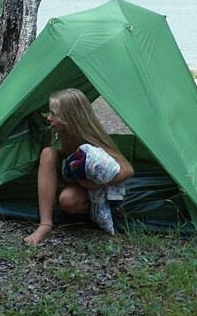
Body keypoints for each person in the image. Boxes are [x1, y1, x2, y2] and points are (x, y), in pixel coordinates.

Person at [23, 88, 134, 245]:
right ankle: (45, 224)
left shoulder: (91, 137)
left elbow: (128, 170)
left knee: (68, 200)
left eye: (54, 114)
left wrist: (96, 185)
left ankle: (93, 212)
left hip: (93, 187)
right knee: (48, 153)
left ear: (69, 118)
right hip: (76, 177)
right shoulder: (60, 132)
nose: (49, 118)